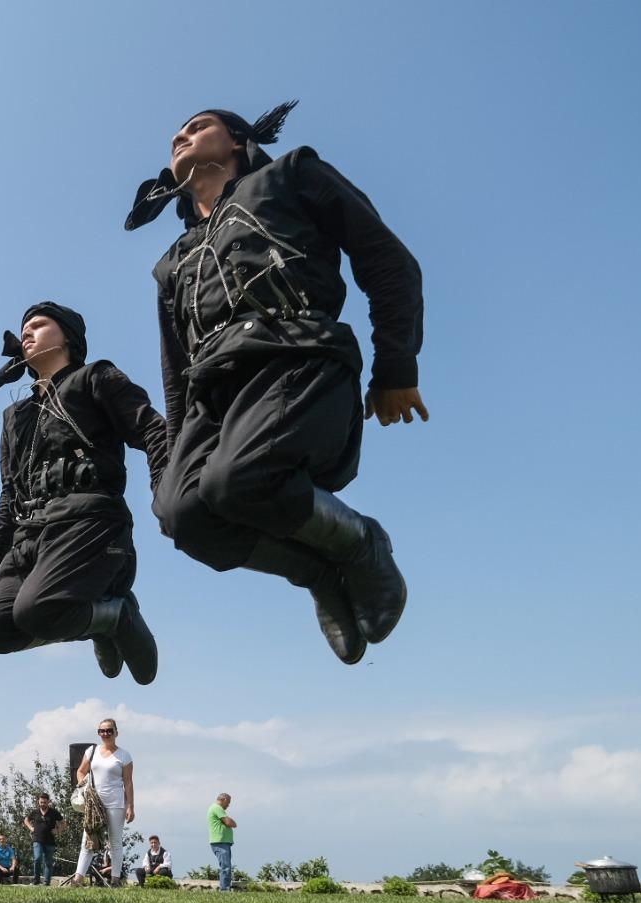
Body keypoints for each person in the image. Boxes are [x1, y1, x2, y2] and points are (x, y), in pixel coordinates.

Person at [125, 102, 425, 664]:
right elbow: (174, 367)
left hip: (297, 355)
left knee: (236, 482)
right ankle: (317, 573)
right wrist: (172, 470)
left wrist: (396, 366)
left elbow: (386, 259)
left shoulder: (290, 175)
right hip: (212, 393)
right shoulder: (172, 261)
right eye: (176, 135)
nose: (179, 135)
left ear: (237, 142)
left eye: (197, 127)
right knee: (184, 516)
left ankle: (363, 544)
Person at [0, 302, 169, 683]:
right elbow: (9, 491)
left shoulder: (95, 377)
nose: (26, 333)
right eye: (23, 328)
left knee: (37, 612)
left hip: (90, 522)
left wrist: (166, 492)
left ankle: (119, 614)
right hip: (30, 534)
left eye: (39, 325)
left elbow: (153, 430)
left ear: (68, 337)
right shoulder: (14, 416)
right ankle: (101, 619)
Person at [68, 719, 134, 887]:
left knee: (115, 843)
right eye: (102, 731)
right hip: (94, 804)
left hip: (115, 803)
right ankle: (78, 879)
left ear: (116, 732)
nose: (105, 734)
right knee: (88, 840)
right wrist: (84, 786)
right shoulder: (92, 751)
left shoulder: (124, 755)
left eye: (109, 730)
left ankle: (115, 879)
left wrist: (130, 806)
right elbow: (81, 771)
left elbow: (128, 782)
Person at [22, 792, 64, 886]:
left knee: (48, 862)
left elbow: (63, 823)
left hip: (50, 841)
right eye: (41, 802)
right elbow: (26, 820)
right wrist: (31, 828)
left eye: (44, 802)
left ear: (48, 802)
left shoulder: (54, 812)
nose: (42, 804)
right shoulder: (35, 812)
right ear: (38, 802)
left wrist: (58, 831)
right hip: (37, 840)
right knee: (37, 858)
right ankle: (36, 880)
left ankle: (46, 882)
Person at [209, 793, 238, 891]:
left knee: (226, 866)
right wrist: (231, 822)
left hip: (223, 842)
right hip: (220, 842)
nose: (228, 805)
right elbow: (229, 822)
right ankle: (225, 889)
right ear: (224, 799)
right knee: (226, 866)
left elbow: (230, 823)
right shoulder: (217, 808)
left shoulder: (217, 809)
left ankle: (225, 888)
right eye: (228, 802)